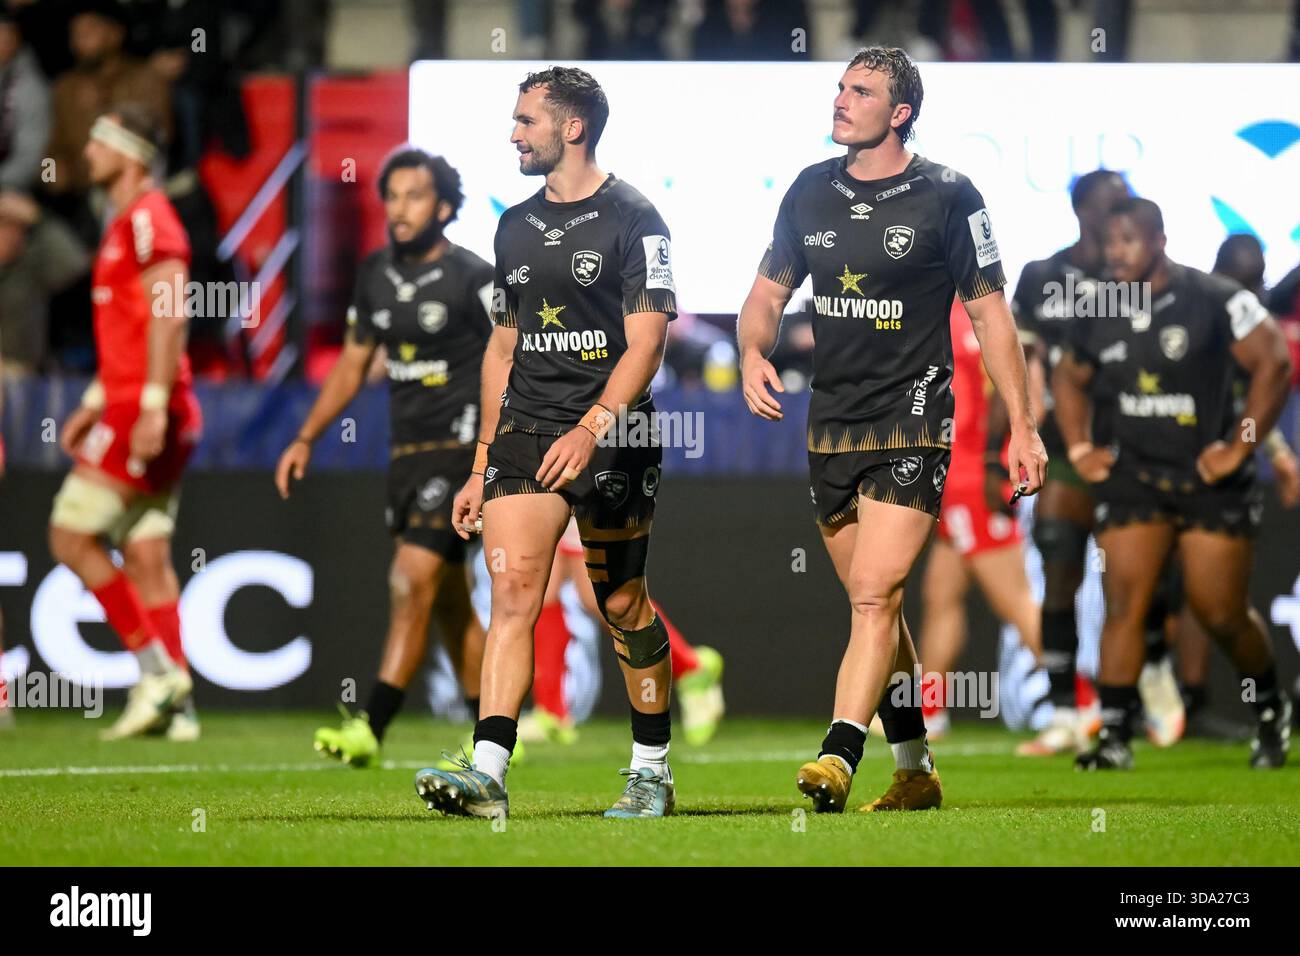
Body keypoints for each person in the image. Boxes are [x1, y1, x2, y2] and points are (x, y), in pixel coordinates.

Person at [738, 47, 1046, 812]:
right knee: (881, 607)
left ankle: (839, 755)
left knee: (875, 596)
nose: (840, 99)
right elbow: (766, 293)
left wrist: (1025, 428)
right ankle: (914, 771)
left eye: (861, 91)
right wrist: (750, 351)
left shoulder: (948, 195)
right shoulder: (809, 191)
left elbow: (990, 315)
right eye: (840, 86)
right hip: (833, 427)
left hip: (915, 423)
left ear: (899, 112)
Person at [414, 66, 680, 820]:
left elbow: (647, 345)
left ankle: (651, 769)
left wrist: (592, 427)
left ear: (573, 127)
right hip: (525, 434)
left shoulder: (638, 219)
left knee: (622, 603)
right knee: (513, 594)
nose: (514, 133)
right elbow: (501, 351)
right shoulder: (512, 225)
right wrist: (479, 463)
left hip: (613, 435)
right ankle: (489, 771)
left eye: (527, 119)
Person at [1054, 198, 1293, 770]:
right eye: (1110, 243)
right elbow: (1068, 375)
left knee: (1220, 612)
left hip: (1209, 479)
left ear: (1159, 241)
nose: (1115, 254)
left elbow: (1275, 362)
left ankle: (1269, 707)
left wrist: (1242, 443)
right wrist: (1081, 446)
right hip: (1134, 475)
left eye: (1128, 241)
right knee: (1124, 604)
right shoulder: (1099, 306)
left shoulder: (1211, 299)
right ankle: (1113, 736)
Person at [276, 147, 493, 765]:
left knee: (409, 578)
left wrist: (495, 449)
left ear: (445, 207)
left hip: (460, 453)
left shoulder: (475, 278)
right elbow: (352, 362)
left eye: (415, 196)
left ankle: (371, 725)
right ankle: (496, 732)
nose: (399, 209)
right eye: (392, 196)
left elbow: (510, 356)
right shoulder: (374, 274)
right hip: (407, 455)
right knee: (447, 597)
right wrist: (306, 436)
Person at [47, 104, 201, 741]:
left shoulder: (148, 220)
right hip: (134, 400)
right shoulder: (123, 222)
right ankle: (179, 711)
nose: (86, 152)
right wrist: (92, 400)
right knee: (144, 553)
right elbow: (128, 330)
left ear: (130, 153)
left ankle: (156, 671)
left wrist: (151, 405)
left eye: (98, 140)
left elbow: (169, 316)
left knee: (70, 536)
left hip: (149, 406)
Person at [1012, 168, 1133, 756]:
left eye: (1126, 205)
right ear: (1081, 208)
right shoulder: (1043, 276)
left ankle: (1129, 703)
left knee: (1139, 580)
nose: (1118, 216)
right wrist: (1015, 436)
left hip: (1134, 447)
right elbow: (1021, 362)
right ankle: (1063, 709)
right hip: (1063, 447)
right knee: (1061, 573)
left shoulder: (1136, 276)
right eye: (1110, 205)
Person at [918, 299, 1041, 738]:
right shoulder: (982, 308)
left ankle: (1084, 703)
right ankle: (928, 712)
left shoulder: (956, 314)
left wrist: (993, 460)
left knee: (1016, 600)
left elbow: (1017, 394)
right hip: (961, 473)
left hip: (971, 475)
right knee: (941, 593)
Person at [523, 518, 725, 746]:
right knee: (543, 587)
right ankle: (551, 712)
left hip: (580, 488)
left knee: (602, 595)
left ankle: (691, 669)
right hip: (546, 487)